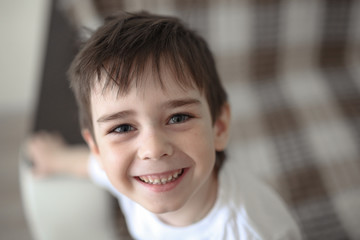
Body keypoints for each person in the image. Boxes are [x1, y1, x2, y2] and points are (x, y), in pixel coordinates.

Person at [27, 11, 302, 239]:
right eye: (122, 128)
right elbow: (88, 165)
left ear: (218, 127)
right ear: (97, 148)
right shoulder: (123, 170)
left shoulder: (251, 230)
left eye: (178, 118)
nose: (153, 149)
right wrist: (55, 158)